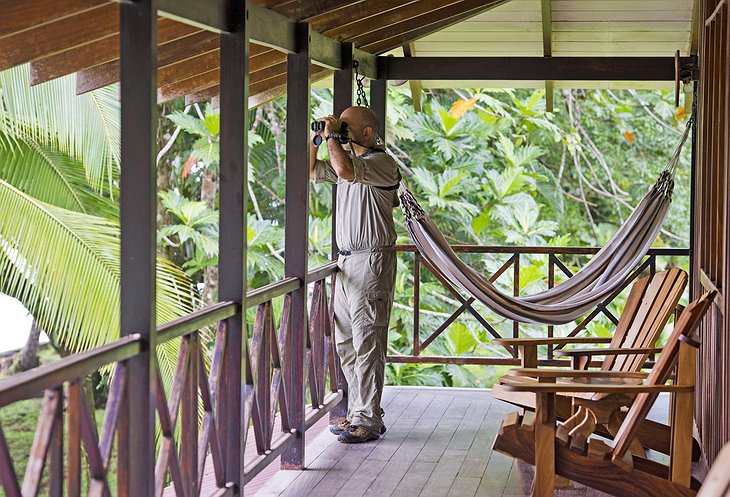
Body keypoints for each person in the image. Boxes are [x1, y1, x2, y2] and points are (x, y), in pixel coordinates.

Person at [309, 106, 400, 443]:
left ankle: (368, 419)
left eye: (346, 127)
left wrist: (333, 138)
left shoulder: (381, 163)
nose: (341, 132)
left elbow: (346, 171)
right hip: (346, 263)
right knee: (347, 342)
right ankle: (361, 411)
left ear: (366, 133)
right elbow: (311, 170)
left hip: (371, 261)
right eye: (339, 127)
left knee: (368, 340)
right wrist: (317, 138)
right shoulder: (346, 163)